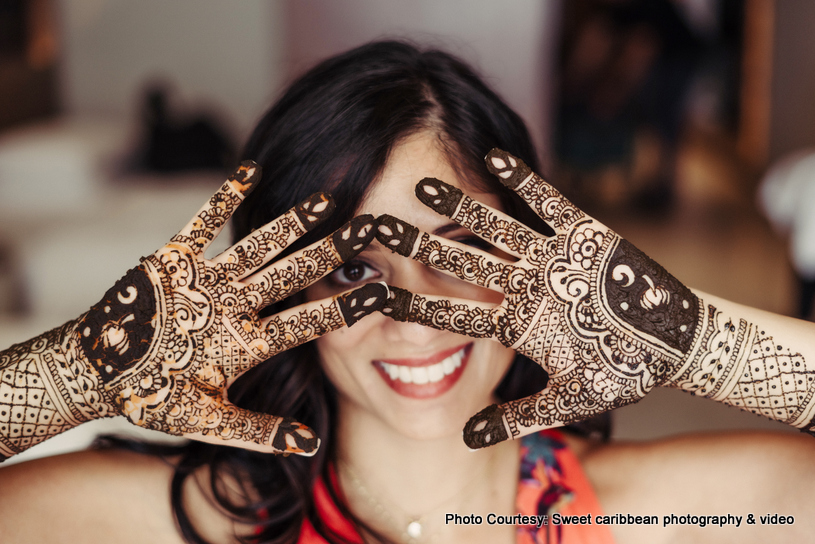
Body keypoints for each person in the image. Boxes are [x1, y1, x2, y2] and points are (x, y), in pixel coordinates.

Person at [2, 41, 815, 544]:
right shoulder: (190, 522)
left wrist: (693, 338)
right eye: (354, 271)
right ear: (282, 297)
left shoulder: (659, 516)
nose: (412, 318)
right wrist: (71, 373)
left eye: (462, 256)